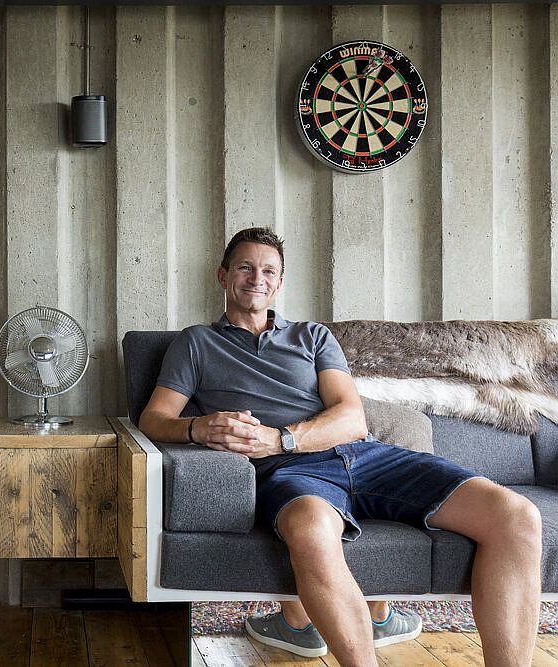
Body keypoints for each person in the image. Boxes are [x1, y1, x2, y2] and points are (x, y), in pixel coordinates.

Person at [138, 227, 542, 665]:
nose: (257, 278)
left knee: (517, 516)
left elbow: (351, 416)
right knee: (310, 530)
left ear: (279, 282)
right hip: (290, 474)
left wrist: (282, 438)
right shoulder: (196, 342)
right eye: (245, 268)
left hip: (366, 456)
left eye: (268, 270)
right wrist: (199, 428)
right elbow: (154, 419)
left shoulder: (311, 336)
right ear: (223, 276)